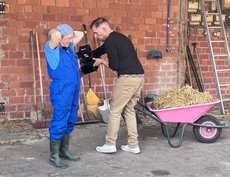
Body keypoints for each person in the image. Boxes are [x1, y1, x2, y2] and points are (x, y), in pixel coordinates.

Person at [91, 17, 144, 154]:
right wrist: (86, 55)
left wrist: (101, 62)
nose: (96, 36)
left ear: (104, 28)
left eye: (97, 33)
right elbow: (98, 51)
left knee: (114, 112)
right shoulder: (119, 38)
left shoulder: (110, 41)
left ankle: (110, 144)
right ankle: (133, 145)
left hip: (127, 79)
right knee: (129, 111)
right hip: (139, 77)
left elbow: (114, 66)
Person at [44, 24, 84, 168]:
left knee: (71, 118)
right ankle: (54, 156)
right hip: (61, 90)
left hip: (73, 90)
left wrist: (69, 35)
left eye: (69, 39)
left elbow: (80, 34)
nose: (69, 41)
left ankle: (64, 151)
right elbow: (54, 35)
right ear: (60, 37)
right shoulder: (52, 49)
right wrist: (60, 33)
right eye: (66, 39)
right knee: (60, 119)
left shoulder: (69, 48)